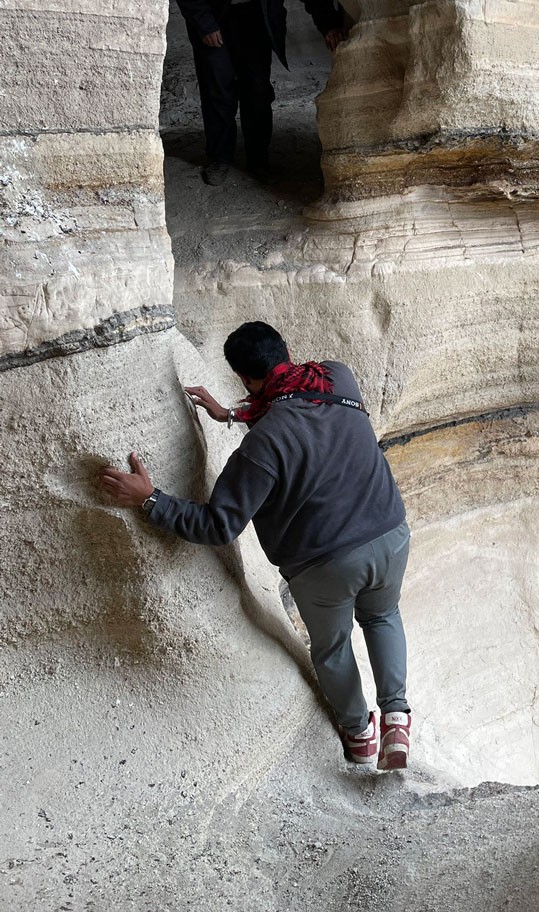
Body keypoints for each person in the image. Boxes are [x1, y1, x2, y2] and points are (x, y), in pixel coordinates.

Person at [100, 321, 412, 771]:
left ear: (244, 378)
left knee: (332, 647)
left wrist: (149, 499)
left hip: (326, 564)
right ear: (285, 349)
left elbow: (218, 524)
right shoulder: (336, 377)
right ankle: (397, 718)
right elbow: (292, 403)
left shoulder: (262, 447)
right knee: (383, 615)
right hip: (390, 533)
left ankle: (361, 735)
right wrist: (230, 415)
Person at [169, 0, 347, 186]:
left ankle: (258, 159)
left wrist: (328, 23)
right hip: (215, 19)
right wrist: (205, 24)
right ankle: (220, 158)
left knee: (256, 89)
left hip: (256, 19)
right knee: (218, 88)